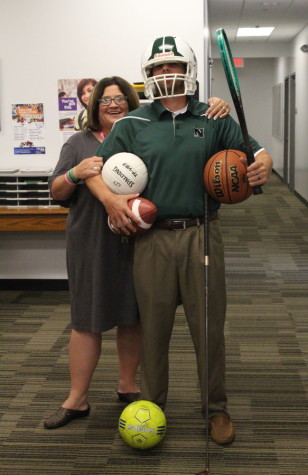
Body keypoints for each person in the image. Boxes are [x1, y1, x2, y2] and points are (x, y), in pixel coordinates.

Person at [85, 37, 273, 446]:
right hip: (150, 238)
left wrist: (261, 168)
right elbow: (95, 172)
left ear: (187, 69)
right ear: (148, 74)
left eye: (173, 65)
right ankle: (151, 408)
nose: (166, 74)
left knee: (209, 329)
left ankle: (216, 409)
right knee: (153, 329)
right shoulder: (131, 124)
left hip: (203, 232)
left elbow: (257, 154)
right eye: (158, 68)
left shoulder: (215, 116)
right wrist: (112, 201)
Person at [44, 74, 231, 430]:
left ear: (132, 105)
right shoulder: (79, 143)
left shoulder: (142, 134)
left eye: (120, 99)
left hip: (138, 244)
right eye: (104, 100)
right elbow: (56, 190)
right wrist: (75, 174)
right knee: (88, 321)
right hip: (95, 246)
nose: (112, 105)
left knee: (135, 318)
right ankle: (76, 398)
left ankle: (128, 385)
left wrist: (214, 106)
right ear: (93, 105)